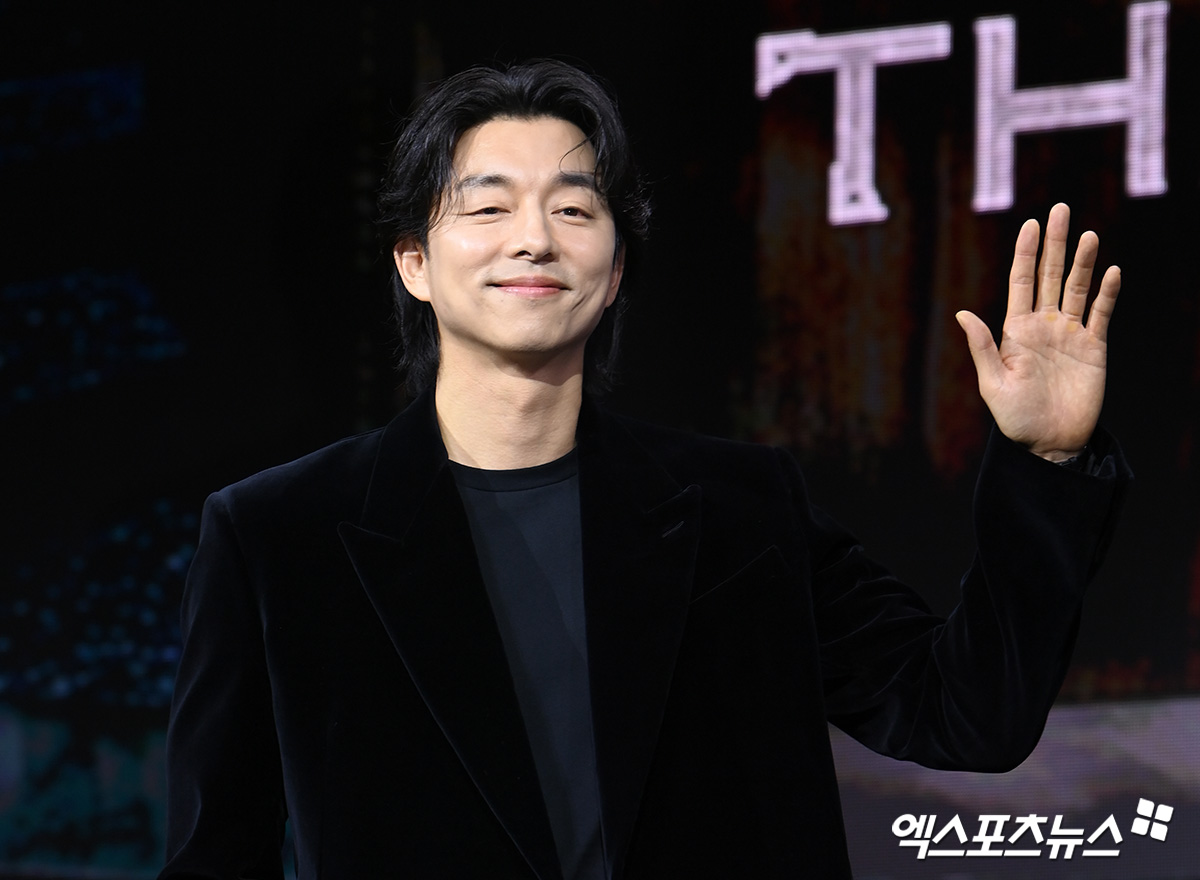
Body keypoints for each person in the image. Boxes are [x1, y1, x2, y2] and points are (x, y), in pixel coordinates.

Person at [159, 60, 1130, 879]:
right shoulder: (277, 536)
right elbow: (215, 855)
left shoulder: (741, 511)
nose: (534, 238)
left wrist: (1046, 458)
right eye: (488, 206)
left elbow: (968, 715)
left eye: (573, 208)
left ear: (616, 267)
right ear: (414, 261)